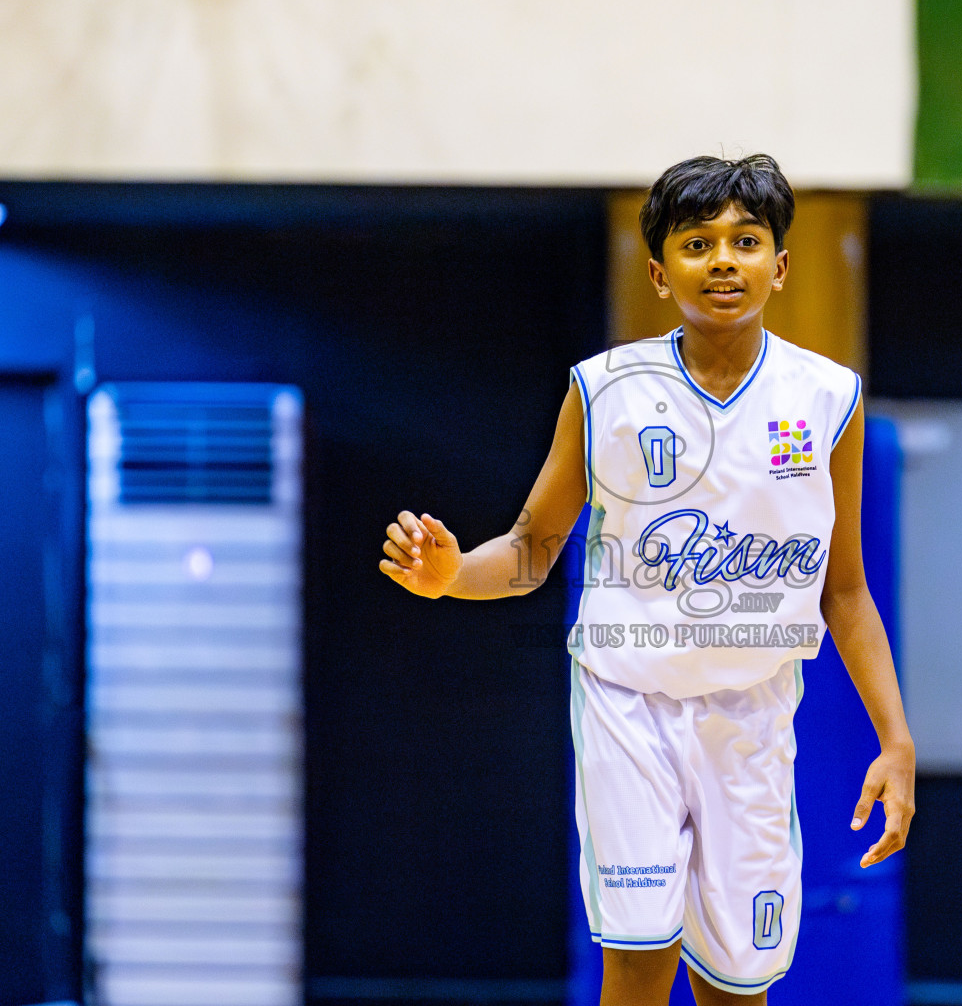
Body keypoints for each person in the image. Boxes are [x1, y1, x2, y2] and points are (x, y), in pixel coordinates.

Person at [378, 153, 915, 1006]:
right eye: (699, 244)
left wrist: (895, 738)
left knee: (737, 983)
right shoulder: (605, 390)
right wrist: (450, 577)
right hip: (628, 703)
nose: (724, 260)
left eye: (746, 241)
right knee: (636, 960)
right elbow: (529, 547)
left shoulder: (828, 397)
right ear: (662, 275)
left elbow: (843, 590)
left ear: (779, 266)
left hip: (752, 714)